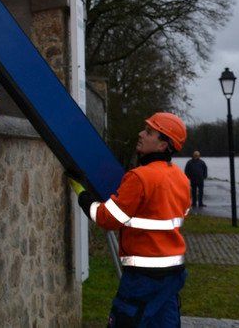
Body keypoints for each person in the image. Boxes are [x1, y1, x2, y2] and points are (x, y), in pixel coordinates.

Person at [72, 112, 191, 326]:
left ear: (163, 145)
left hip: (143, 278)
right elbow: (182, 212)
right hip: (173, 275)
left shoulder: (139, 177)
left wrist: (83, 196)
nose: (141, 134)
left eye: (149, 132)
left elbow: (107, 218)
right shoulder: (181, 178)